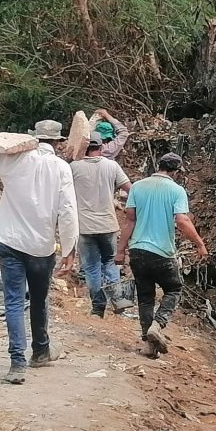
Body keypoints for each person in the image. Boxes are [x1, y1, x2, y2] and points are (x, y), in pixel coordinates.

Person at [0, 120, 79, 385]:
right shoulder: (61, 168)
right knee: (39, 300)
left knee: (14, 301)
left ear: (32, 138)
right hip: (41, 247)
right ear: (59, 143)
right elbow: (69, 212)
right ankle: (40, 351)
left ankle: (17, 363)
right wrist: (70, 248)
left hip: (9, 241)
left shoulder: (15, 160)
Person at [115, 153, 207, 358]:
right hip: (162, 252)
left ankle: (149, 345)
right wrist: (199, 244)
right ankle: (158, 324)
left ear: (158, 166)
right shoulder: (176, 190)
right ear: (176, 172)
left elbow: (130, 221)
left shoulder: (137, 187)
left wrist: (120, 250)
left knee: (145, 298)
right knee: (174, 289)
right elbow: (182, 221)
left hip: (138, 251)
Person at [70, 132, 133, 318]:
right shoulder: (112, 166)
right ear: (101, 147)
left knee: (91, 267)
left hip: (84, 227)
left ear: (84, 147)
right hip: (108, 225)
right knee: (110, 261)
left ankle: (98, 307)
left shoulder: (74, 167)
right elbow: (130, 189)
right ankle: (118, 300)